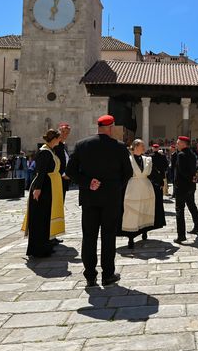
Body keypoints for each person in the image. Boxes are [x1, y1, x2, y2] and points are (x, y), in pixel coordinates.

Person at [66, 115, 132, 288]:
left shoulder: (82, 145)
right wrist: (116, 187)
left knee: (89, 237)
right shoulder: (119, 147)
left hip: (90, 198)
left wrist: (88, 183)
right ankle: (108, 274)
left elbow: (70, 171)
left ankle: (90, 276)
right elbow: (128, 173)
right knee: (108, 236)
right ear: (110, 127)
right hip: (111, 199)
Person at [22, 129, 66, 258]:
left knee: (46, 217)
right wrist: (38, 189)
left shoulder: (50, 151)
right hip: (43, 187)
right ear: (54, 139)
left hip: (49, 187)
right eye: (59, 138)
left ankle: (45, 245)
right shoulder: (44, 152)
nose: (60, 140)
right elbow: (40, 172)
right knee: (40, 218)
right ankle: (38, 248)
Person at [120, 139, 157, 249]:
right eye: (142, 146)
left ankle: (144, 231)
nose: (144, 148)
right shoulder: (128, 159)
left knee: (145, 209)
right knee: (131, 212)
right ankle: (130, 238)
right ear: (135, 146)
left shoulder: (147, 159)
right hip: (133, 188)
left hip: (146, 187)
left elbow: (152, 173)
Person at [172, 135, 198, 243]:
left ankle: (181, 235)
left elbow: (182, 171)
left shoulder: (181, 155)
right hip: (191, 186)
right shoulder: (192, 154)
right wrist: (192, 179)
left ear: (184, 144)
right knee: (192, 205)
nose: (176, 144)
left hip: (181, 187)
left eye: (178, 143)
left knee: (179, 210)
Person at [148, 144, 169, 235]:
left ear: (153, 148)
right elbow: (166, 165)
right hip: (160, 178)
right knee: (160, 195)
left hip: (152, 178)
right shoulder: (162, 156)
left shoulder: (149, 157)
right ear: (158, 148)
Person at [53, 122, 71, 201]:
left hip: (63, 181)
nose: (65, 135)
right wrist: (63, 174)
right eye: (63, 132)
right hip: (57, 179)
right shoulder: (55, 145)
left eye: (67, 133)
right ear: (58, 131)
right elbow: (54, 163)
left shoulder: (63, 145)